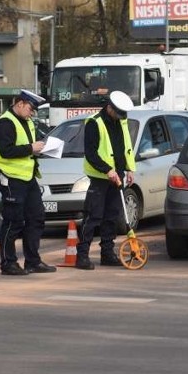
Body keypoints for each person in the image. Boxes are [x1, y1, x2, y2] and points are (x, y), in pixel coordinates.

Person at [0, 89, 55, 276]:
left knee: (36, 218)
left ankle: (32, 261)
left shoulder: (26, 122)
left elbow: (28, 146)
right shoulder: (5, 123)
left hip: (28, 177)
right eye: (30, 108)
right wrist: (31, 148)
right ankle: (8, 263)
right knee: (13, 221)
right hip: (11, 178)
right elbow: (6, 151)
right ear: (19, 104)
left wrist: (40, 149)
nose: (32, 113)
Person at [76, 90, 136, 270]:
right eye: (118, 113)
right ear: (109, 108)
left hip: (118, 176)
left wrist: (129, 168)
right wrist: (107, 170)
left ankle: (107, 254)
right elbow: (91, 154)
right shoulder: (94, 123)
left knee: (111, 216)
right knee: (93, 216)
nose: (120, 117)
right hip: (100, 178)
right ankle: (82, 256)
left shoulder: (121, 120)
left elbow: (126, 146)